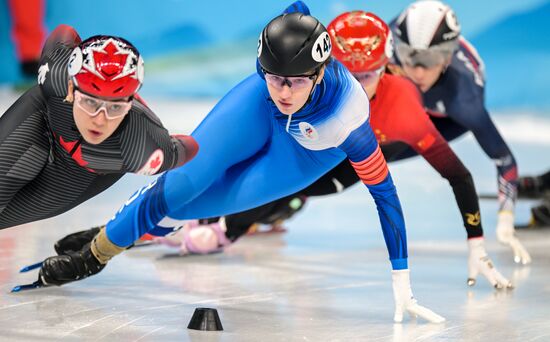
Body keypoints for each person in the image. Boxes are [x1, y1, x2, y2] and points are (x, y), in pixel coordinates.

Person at [39, 6, 444, 323]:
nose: (284, 91)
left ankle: (114, 234)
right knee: (181, 183)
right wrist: (268, 82)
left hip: (304, 153)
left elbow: (386, 198)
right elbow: (289, 35)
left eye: (297, 80)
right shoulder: (274, 78)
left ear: (319, 74)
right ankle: (95, 256)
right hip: (256, 108)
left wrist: (401, 280)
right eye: (273, 75)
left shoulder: (350, 123)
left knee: (188, 208)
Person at [150, 10, 512, 289]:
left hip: (381, 138)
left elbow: (458, 175)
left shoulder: (418, 110)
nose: (351, 86)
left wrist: (476, 240)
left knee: (306, 184)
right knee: (275, 160)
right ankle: (227, 217)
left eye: (365, 76)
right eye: (344, 72)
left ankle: (229, 227)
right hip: (343, 130)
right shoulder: (349, 64)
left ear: (385, 69)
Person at [0, 25, 197, 257]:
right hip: (41, 122)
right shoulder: (56, 75)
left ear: (130, 101)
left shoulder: (141, 147)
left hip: (80, 174)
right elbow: (64, 33)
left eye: (115, 107)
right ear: (72, 88)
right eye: (91, 102)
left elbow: (191, 148)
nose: (100, 120)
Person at [385, 0, 530, 265]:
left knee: (380, 156)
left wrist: (505, 218)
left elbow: (505, 161)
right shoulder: (392, 39)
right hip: (411, 99)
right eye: (409, 56)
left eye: (429, 61)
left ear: (447, 57)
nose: (417, 71)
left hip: (446, 118)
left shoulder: (465, 100)